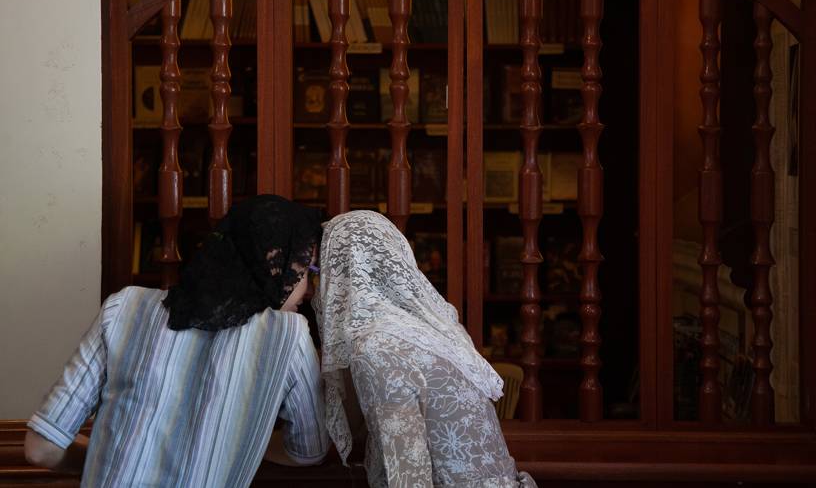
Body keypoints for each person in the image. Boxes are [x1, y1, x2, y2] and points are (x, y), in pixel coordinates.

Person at [24, 195, 329, 487]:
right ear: (274, 264)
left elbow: (41, 447)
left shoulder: (124, 308)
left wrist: (108, 461)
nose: (309, 287)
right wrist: (241, 440)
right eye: (307, 269)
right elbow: (309, 449)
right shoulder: (289, 335)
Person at [312, 210, 537, 488]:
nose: (316, 287)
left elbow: (409, 477)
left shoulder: (378, 348)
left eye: (318, 271)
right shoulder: (426, 330)